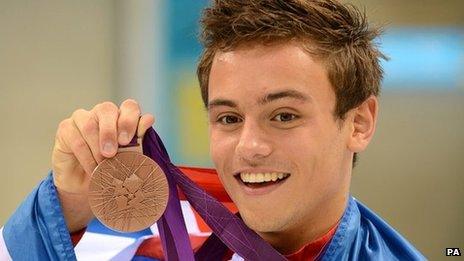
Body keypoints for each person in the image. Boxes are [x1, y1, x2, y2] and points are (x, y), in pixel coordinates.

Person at [1, 0, 425, 260]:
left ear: (359, 122)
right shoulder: (143, 237)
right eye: (228, 118)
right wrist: (68, 208)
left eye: (284, 116)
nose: (250, 147)